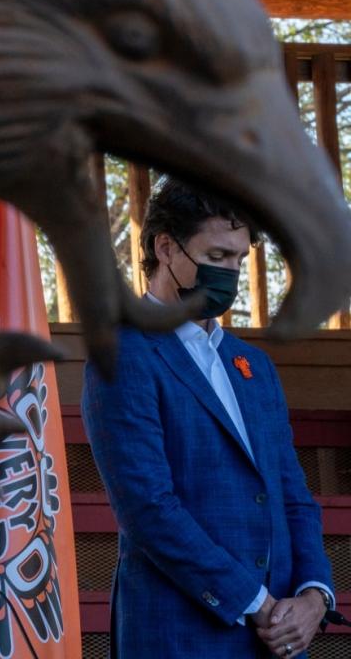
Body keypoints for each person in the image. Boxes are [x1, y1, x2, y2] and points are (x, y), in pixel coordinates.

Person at [81, 179, 334, 658]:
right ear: (166, 248)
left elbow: (293, 496)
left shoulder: (254, 366)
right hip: (182, 637)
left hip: (280, 639)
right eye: (217, 256)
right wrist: (257, 603)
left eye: (239, 259)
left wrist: (313, 596)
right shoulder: (123, 354)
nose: (232, 273)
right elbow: (148, 509)